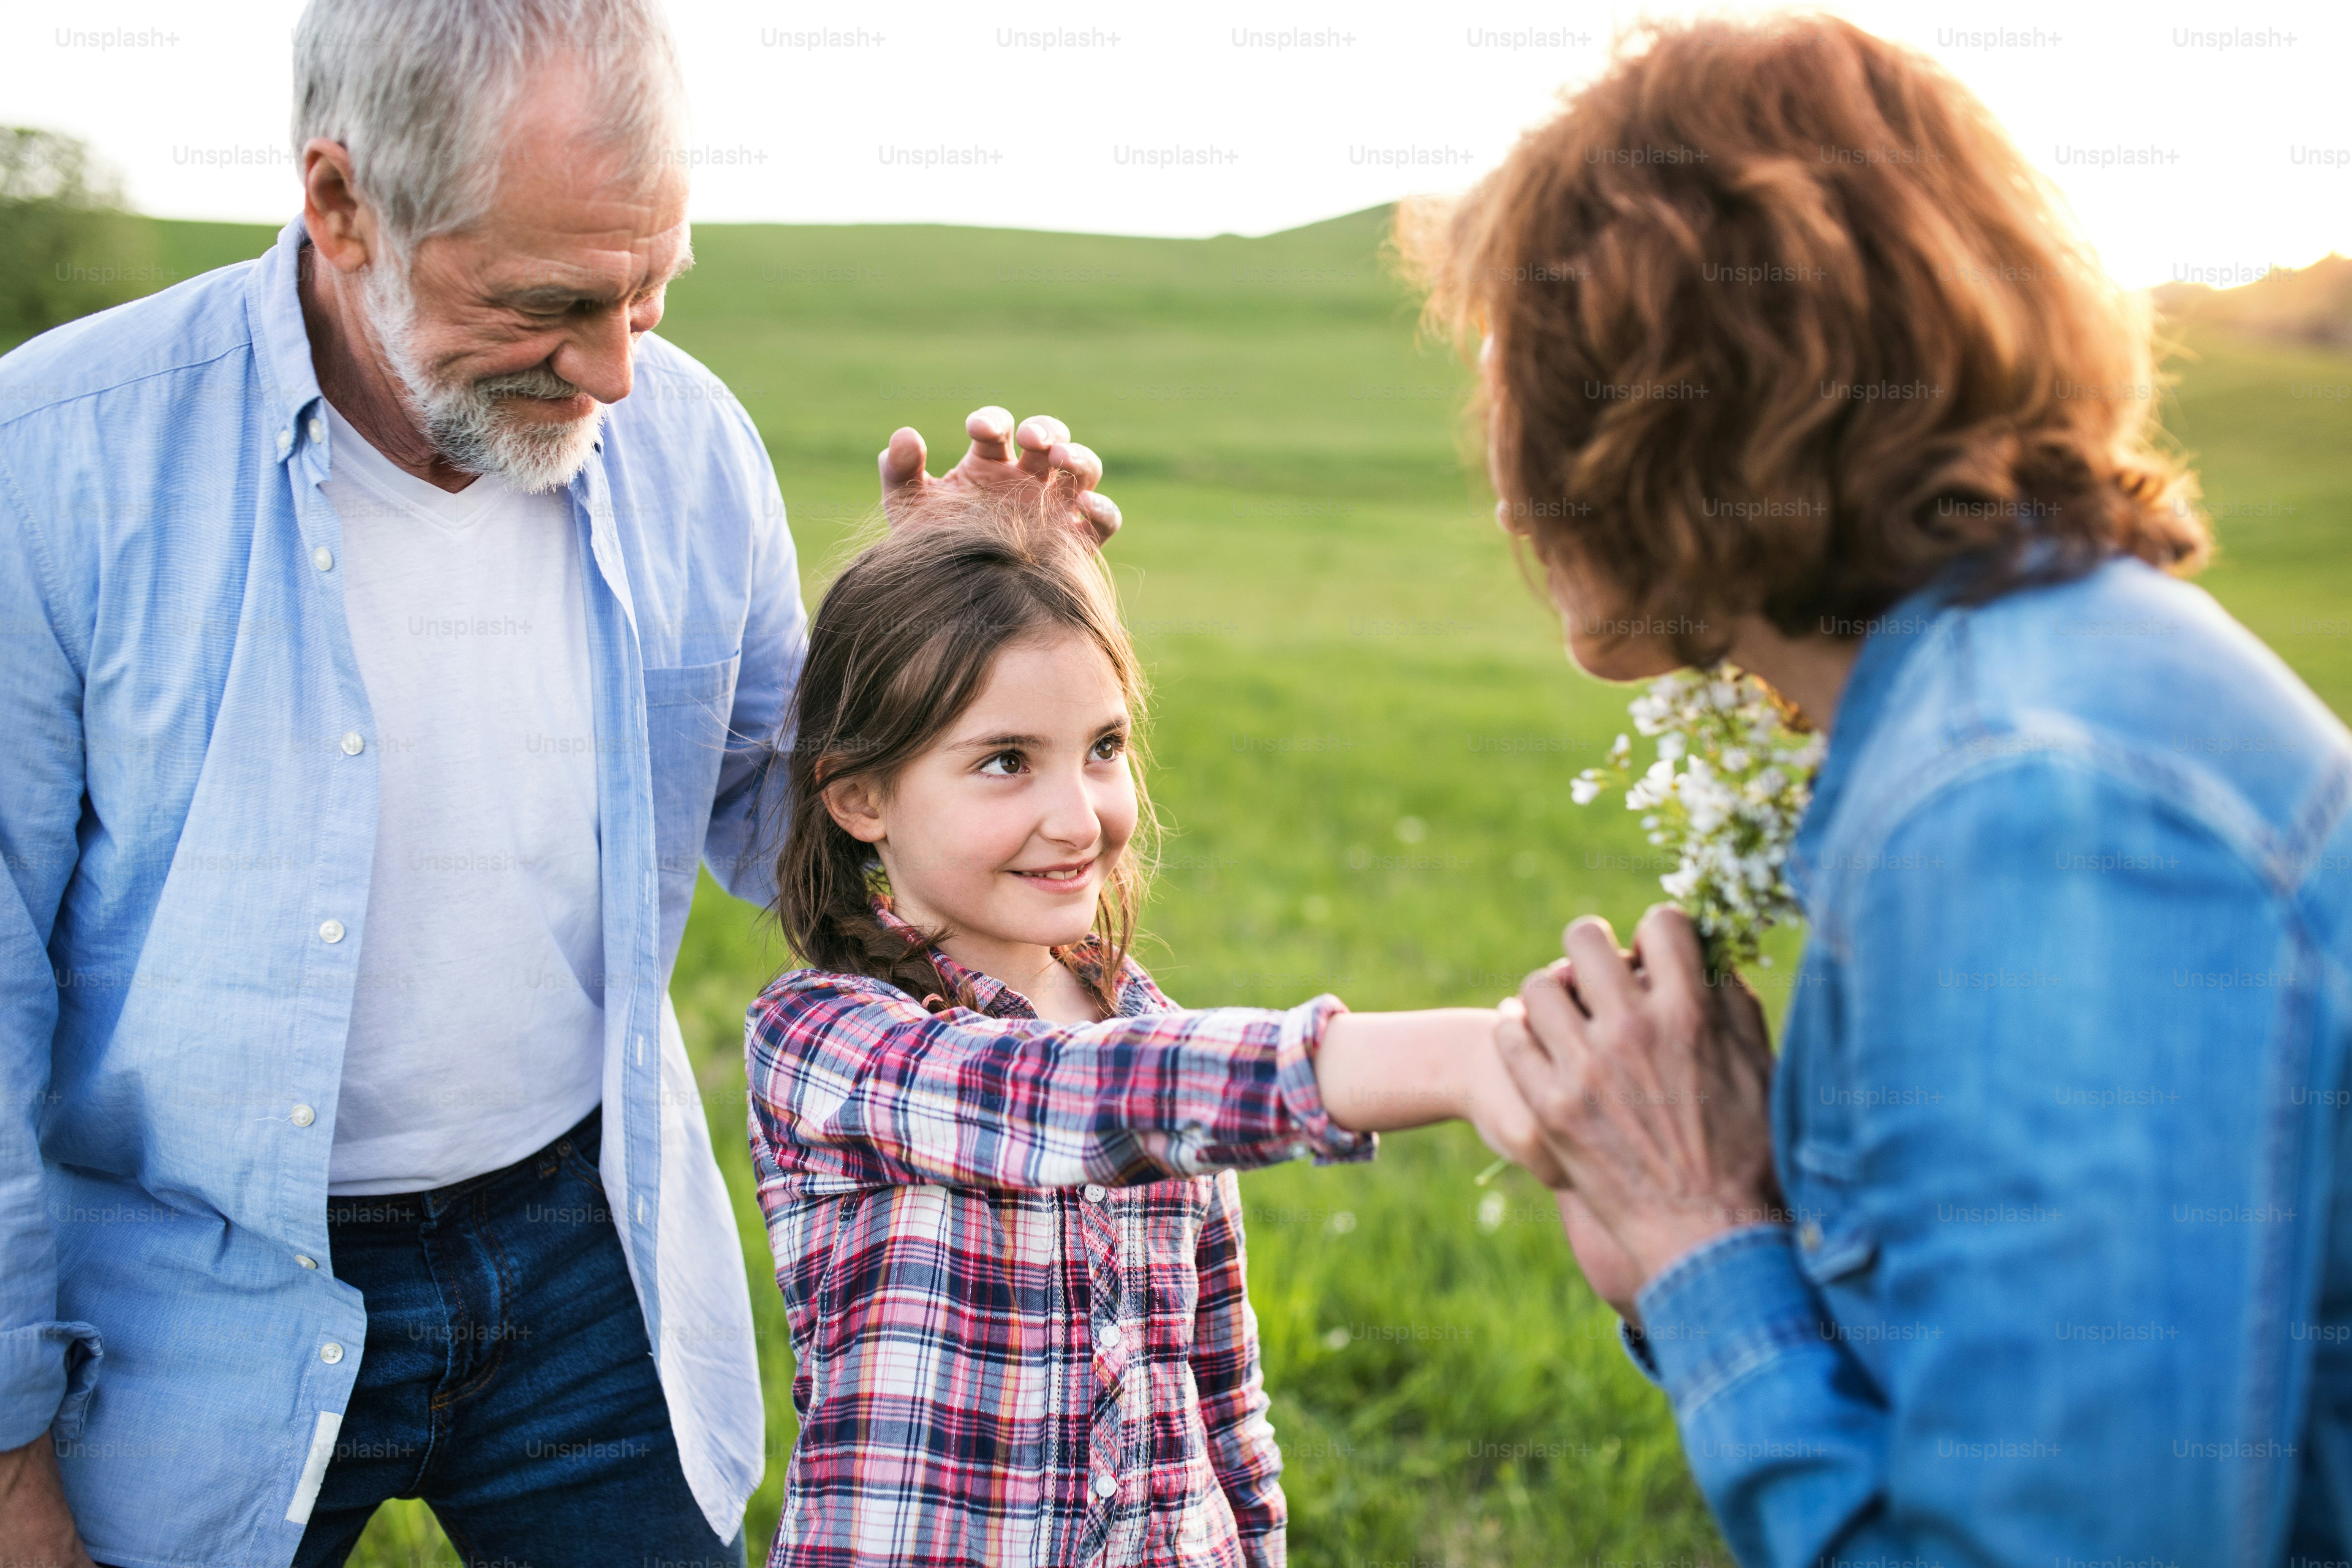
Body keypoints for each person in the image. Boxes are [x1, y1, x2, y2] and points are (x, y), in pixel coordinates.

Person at [0, 2, 1114, 1565]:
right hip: (186, 1285)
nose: (610, 368)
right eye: (552, 302)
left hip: (583, 1251)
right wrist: (6, 1467)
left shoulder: (689, 443)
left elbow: (780, 825)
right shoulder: (54, 461)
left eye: (650, 295)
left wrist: (942, 653)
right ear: (340, 206)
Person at [1406, 12, 2352, 1564]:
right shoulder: (2015, 703)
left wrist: (1703, 1248)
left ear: (1672, 401)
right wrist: (1719, 1232)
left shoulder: (2026, 807)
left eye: (1521, 367)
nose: (1500, 469)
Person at [743, 494, 1556, 1568]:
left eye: (1104, 747)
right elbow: (1063, 1098)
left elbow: (1221, 1380)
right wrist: (1453, 1057)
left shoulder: (1145, 1021)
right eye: (1005, 761)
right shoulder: (824, 1041)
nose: (1081, 817)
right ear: (859, 798)